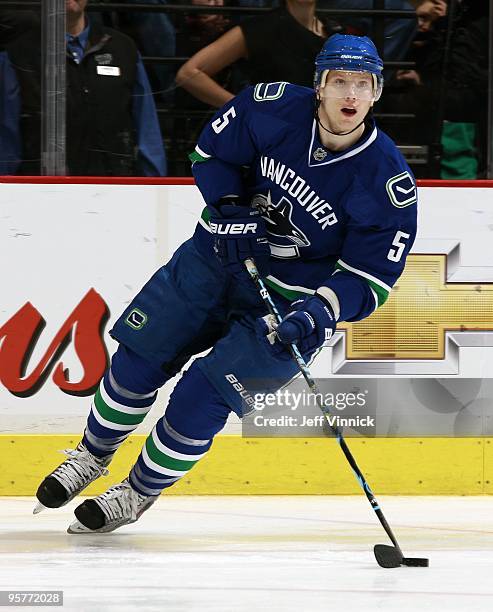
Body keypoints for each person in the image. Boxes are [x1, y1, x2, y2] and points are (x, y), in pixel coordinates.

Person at [33, 34, 417, 534]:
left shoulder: (387, 181)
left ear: (376, 93)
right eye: (339, 81)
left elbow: (371, 277)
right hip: (214, 260)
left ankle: (136, 492)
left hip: (286, 307)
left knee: (201, 398)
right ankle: (91, 455)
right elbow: (210, 156)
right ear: (318, 86)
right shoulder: (271, 107)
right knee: (139, 360)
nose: (350, 95)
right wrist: (230, 212)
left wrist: (320, 310)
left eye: (362, 85)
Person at [3, 0, 166, 176]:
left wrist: (155, 185)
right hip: (45, 192)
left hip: (115, 189)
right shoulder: (17, 55)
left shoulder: (124, 49)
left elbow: (147, 129)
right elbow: (6, 138)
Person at [175, 0, 343, 108]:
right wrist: (244, 108)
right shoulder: (261, 28)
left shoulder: (333, 29)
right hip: (278, 139)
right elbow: (189, 73)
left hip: (323, 135)